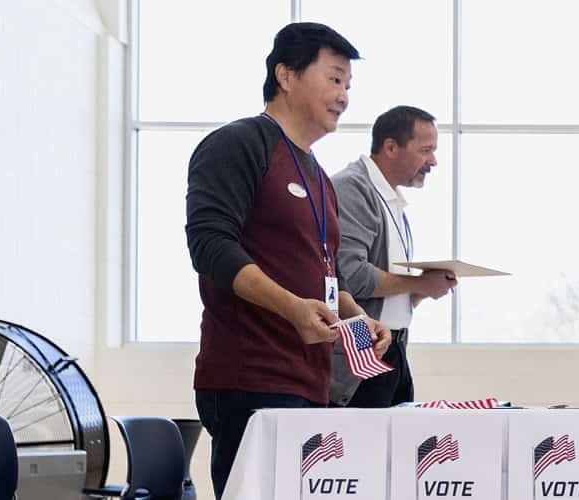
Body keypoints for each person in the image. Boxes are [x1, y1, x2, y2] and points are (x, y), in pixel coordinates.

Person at [184, 22, 389, 498]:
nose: (343, 96)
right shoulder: (239, 144)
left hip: (310, 385)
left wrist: (360, 320)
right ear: (286, 75)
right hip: (250, 380)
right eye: (334, 79)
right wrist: (292, 308)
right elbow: (210, 246)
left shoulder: (318, 175)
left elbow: (326, 275)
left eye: (348, 86)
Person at [329, 105, 458, 408]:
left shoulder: (391, 199)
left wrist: (425, 289)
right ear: (390, 147)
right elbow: (352, 275)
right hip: (363, 353)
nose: (433, 161)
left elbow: (390, 296)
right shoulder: (352, 187)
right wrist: (418, 284)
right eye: (425, 150)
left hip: (394, 348)